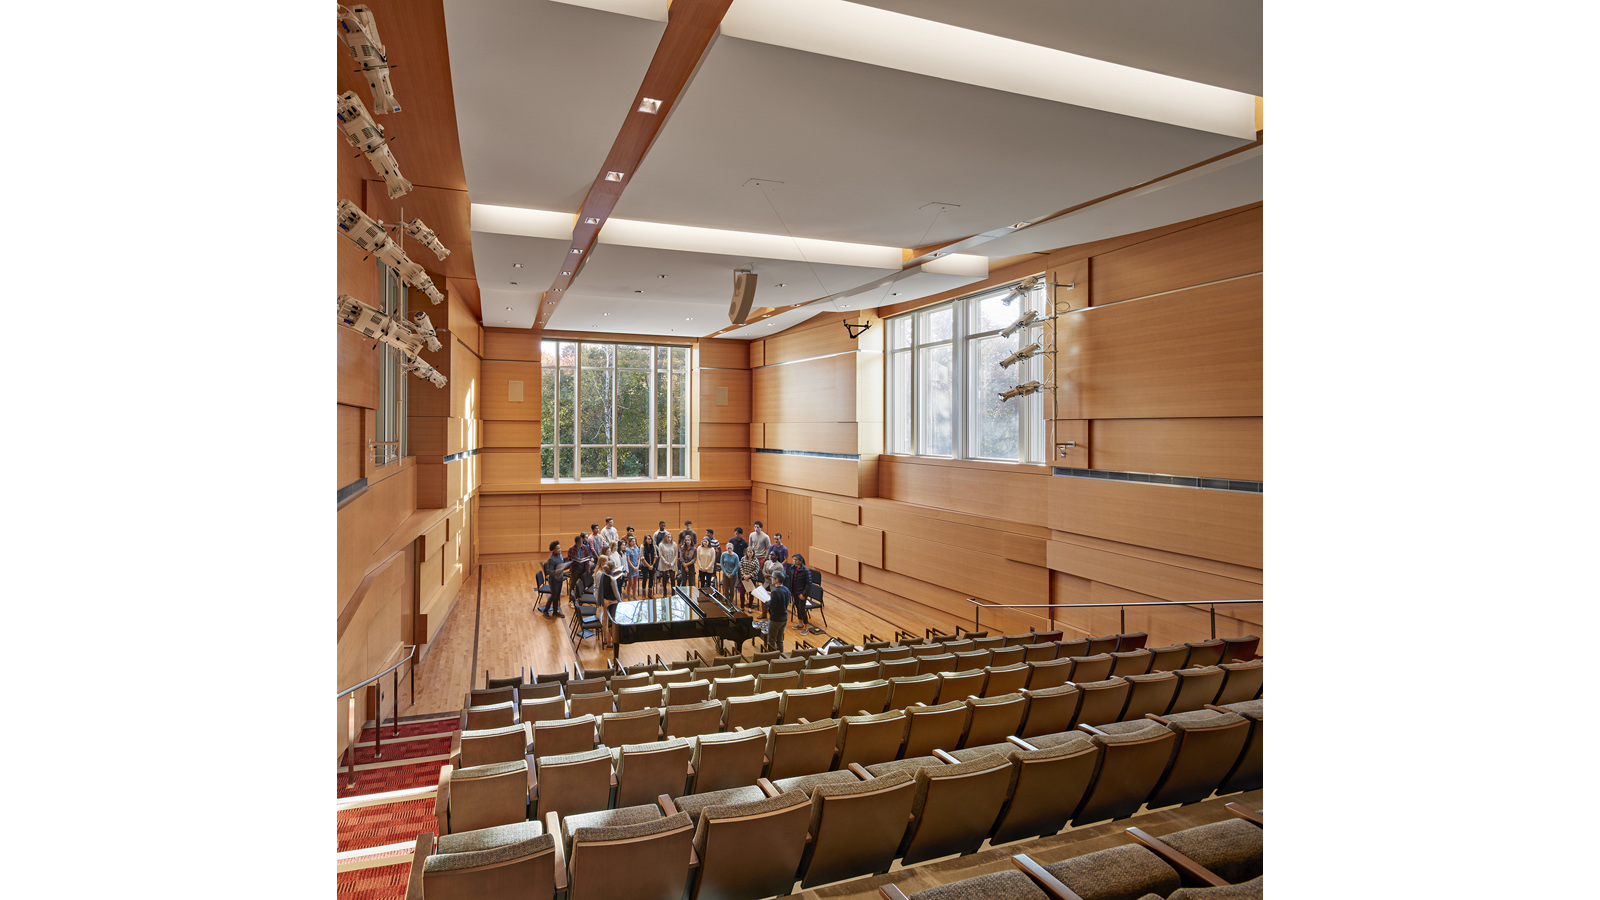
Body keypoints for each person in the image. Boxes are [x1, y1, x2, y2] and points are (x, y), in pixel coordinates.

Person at [539, 540, 567, 618]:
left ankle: (555, 611)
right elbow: (549, 571)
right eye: (558, 548)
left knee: (557, 596)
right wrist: (556, 571)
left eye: (560, 548)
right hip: (554, 581)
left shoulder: (560, 555)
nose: (560, 549)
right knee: (553, 596)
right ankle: (545, 610)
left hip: (560, 579)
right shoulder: (551, 559)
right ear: (554, 550)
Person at [787, 554, 813, 632]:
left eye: (796, 560)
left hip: (801, 593)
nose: (794, 561)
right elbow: (790, 579)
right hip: (795, 591)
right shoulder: (792, 568)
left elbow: (809, 584)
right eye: (794, 559)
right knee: (798, 608)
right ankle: (800, 624)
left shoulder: (805, 570)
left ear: (801, 560)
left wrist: (804, 594)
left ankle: (805, 627)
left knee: (802, 609)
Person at [765, 572, 790, 652]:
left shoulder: (776, 591)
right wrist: (771, 594)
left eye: (773, 577)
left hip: (775, 619)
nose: (771, 578)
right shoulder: (786, 589)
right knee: (780, 639)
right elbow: (782, 599)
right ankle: (781, 657)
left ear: (776, 580)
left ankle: (772, 659)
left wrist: (765, 601)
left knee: (771, 640)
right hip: (784, 618)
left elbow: (772, 606)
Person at [623, 534, 642, 600]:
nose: (634, 542)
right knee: (630, 583)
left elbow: (639, 558)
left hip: (636, 567)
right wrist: (634, 567)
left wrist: (637, 566)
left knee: (635, 583)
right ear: (629, 542)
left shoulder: (637, 548)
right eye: (632, 541)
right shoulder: (627, 549)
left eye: (634, 541)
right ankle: (629, 597)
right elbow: (628, 560)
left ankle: (634, 595)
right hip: (631, 568)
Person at [641, 530, 657, 597]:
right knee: (645, 578)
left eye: (650, 539)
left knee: (651, 578)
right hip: (645, 565)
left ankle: (650, 593)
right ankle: (644, 593)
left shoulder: (653, 546)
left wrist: (652, 565)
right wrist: (648, 566)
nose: (650, 540)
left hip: (652, 565)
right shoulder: (643, 546)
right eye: (648, 539)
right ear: (645, 540)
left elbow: (655, 556)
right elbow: (642, 557)